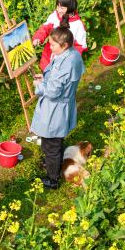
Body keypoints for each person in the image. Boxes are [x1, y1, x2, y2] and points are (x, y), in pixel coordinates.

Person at [30, 26, 85, 190]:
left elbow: (53, 92)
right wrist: (45, 77)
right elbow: (60, 79)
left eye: (53, 45)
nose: (50, 47)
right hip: (63, 105)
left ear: (65, 45)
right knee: (57, 139)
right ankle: (54, 162)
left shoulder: (65, 64)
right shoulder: (73, 54)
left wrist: (40, 85)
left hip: (55, 109)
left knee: (51, 143)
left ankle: (52, 178)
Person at [31, 0, 88, 71]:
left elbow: (80, 46)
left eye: (62, 8)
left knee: (59, 77)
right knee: (46, 74)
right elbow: (45, 28)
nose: (58, 10)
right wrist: (38, 38)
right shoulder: (54, 16)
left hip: (64, 61)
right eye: (57, 6)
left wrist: (71, 60)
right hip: (49, 55)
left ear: (70, 7)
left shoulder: (78, 25)